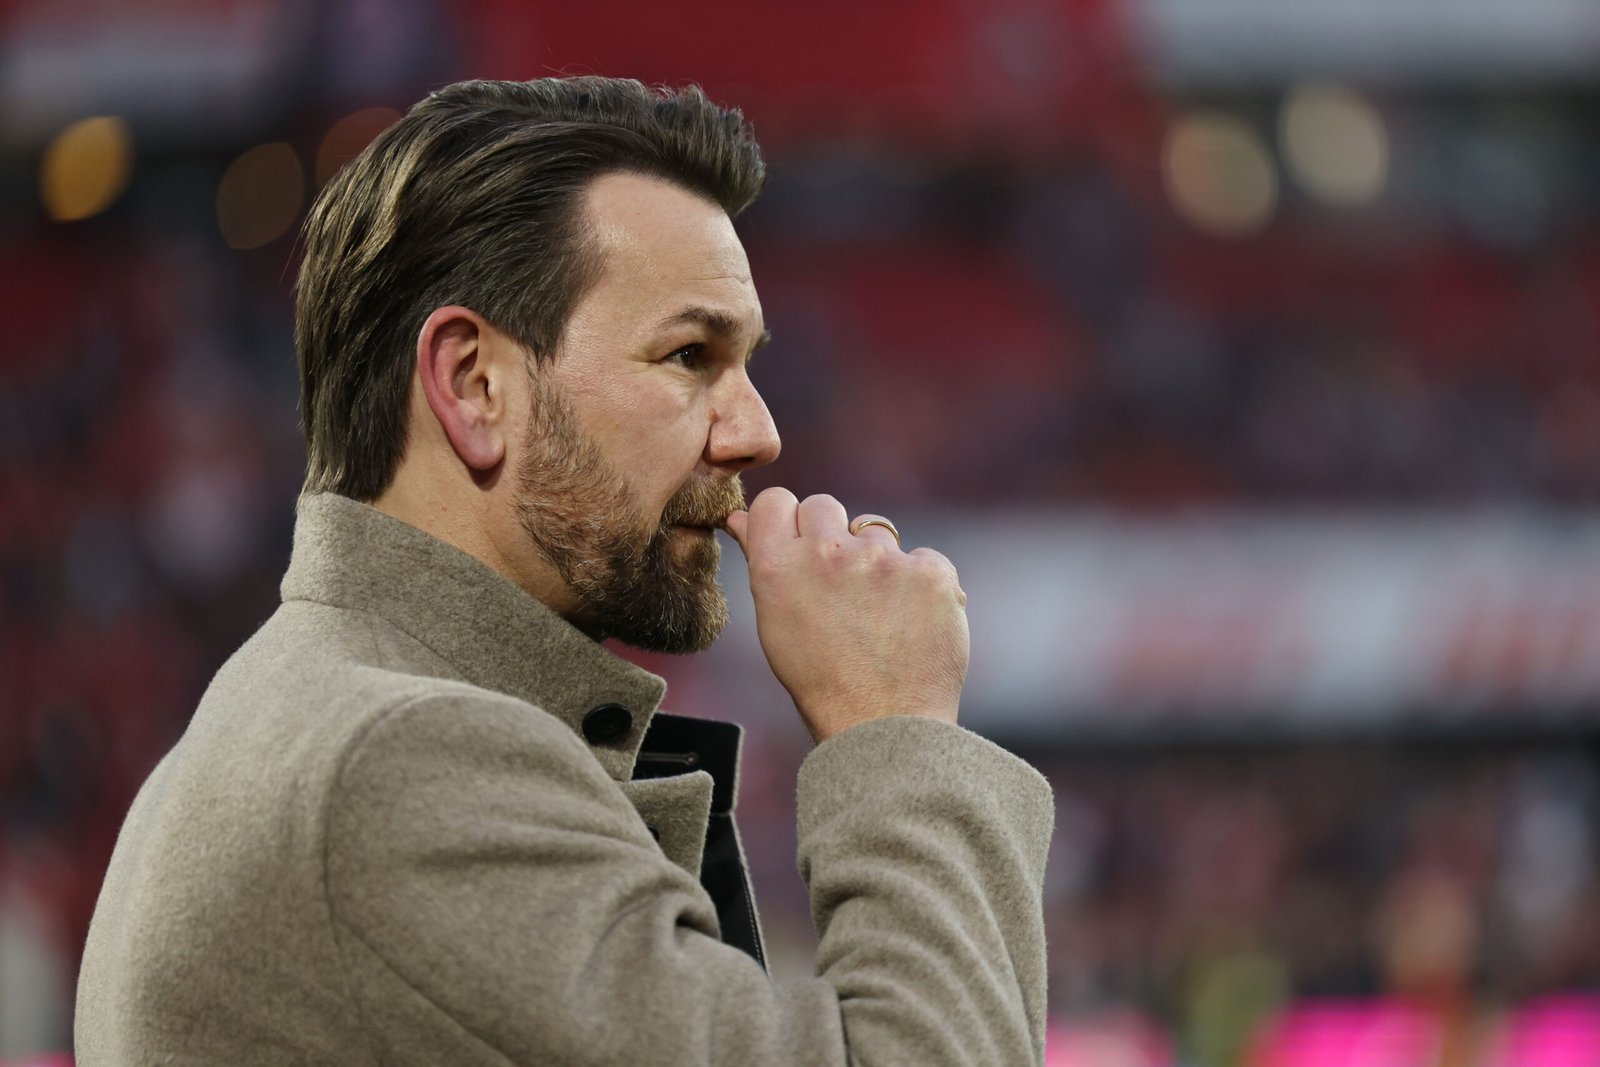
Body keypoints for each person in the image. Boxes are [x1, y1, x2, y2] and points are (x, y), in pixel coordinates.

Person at [75, 76, 1054, 1065]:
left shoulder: (299, 709)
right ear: (473, 383)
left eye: (747, 363)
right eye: (689, 355)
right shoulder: (406, 760)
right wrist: (892, 721)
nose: (757, 432)